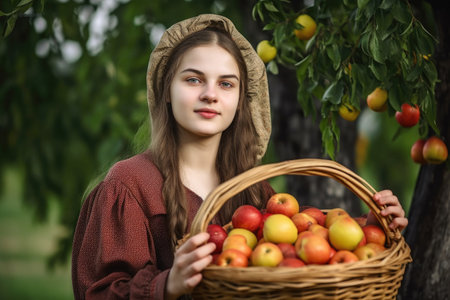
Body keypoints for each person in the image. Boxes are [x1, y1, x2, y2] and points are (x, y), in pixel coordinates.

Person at [71, 14, 408, 300]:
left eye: (227, 84)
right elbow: (99, 292)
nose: (210, 95)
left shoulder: (255, 191)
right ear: (166, 92)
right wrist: (167, 285)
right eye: (193, 79)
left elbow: (303, 250)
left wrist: (372, 226)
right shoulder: (130, 185)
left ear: (241, 101)